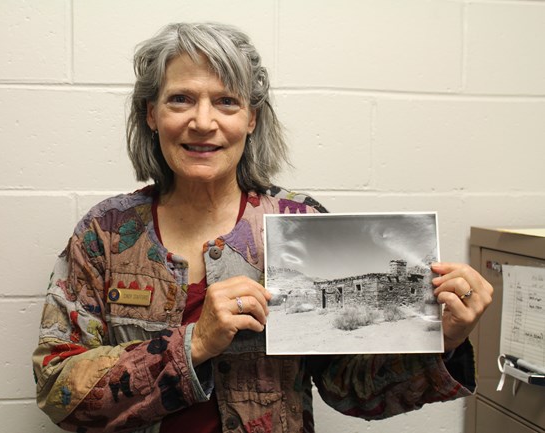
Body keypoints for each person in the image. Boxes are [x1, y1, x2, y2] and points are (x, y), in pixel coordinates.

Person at [32, 22, 493, 433]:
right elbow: (58, 389)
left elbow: (349, 389)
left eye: (226, 102)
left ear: (251, 119)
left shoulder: (299, 224)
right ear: (151, 114)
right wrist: (194, 344)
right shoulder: (106, 233)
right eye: (181, 99)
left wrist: (443, 337)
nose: (203, 122)